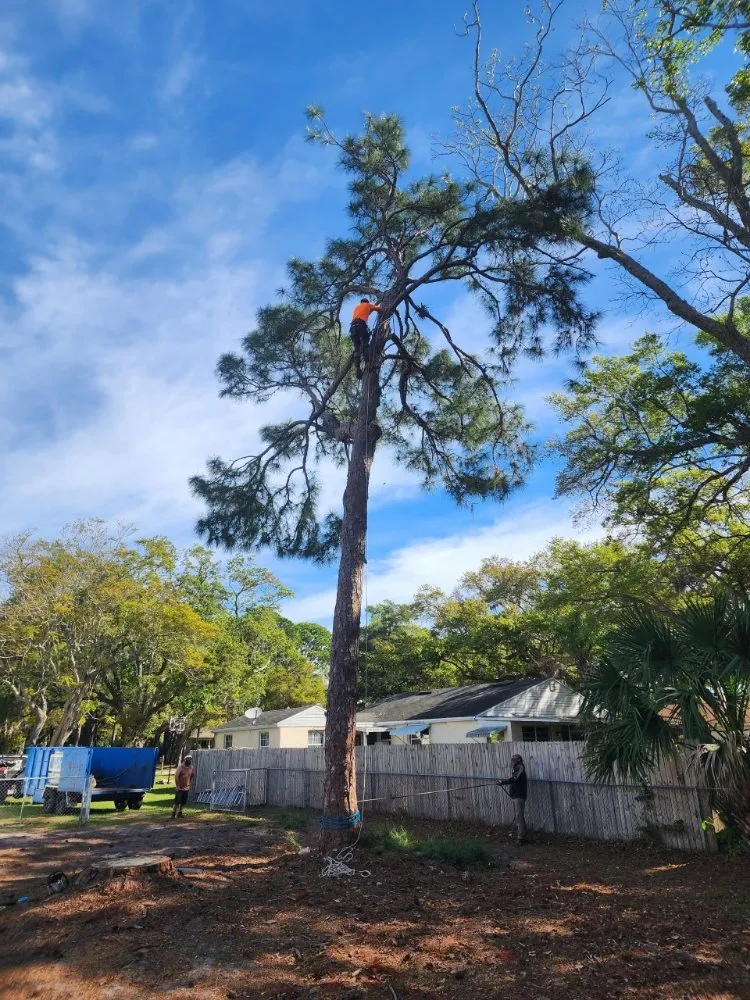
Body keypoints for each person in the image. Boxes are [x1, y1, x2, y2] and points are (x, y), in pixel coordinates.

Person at [498, 753, 527, 845]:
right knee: (519, 816)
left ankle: (520, 838)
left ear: (519, 759)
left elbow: (515, 779)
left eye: (514, 759)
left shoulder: (520, 767)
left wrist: (503, 782)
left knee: (519, 816)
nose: (512, 761)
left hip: (519, 796)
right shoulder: (516, 768)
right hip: (516, 795)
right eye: (512, 759)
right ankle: (522, 835)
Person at [349, 298, 381, 378]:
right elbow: (379, 309)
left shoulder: (356, 307)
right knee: (365, 341)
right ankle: (368, 362)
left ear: (361, 302)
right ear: (366, 302)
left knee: (357, 348)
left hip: (353, 328)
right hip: (361, 326)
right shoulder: (368, 305)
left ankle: (357, 368)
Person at [171, 754, 194, 819]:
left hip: (186, 787)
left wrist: (189, 782)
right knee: (177, 801)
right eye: (188, 759)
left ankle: (180, 813)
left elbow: (192, 774)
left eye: (190, 760)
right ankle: (173, 813)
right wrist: (178, 785)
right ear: (185, 760)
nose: (189, 761)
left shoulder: (191, 767)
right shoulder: (180, 767)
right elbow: (176, 776)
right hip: (180, 787)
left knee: (183, 801)